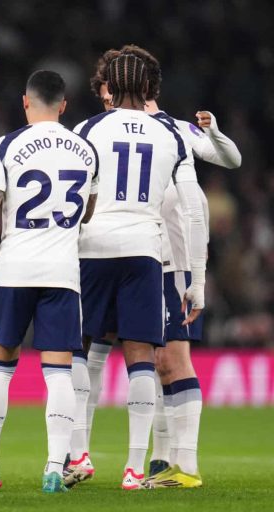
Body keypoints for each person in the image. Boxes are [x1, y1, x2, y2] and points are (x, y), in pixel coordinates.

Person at [73, 52, 207, 490]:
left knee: (86, 349)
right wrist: (197, 279)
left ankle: (76, 454)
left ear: (107, 86)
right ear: (150, 86)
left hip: (92, 246)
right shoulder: (169, 132)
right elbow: (193, 211)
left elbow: (72, 198)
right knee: (142, 357)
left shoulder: (87, 129)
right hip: (145, 250)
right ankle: (135, 468)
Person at [0, 70, 98, 493]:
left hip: (13, 270)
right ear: (64, 106)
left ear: (26, 102)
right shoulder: (85, 149)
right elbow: (89, 211)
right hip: (62, 272)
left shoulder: (5, 146)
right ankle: (53, 470)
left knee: (0, 368)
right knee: (59, 375)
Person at [123, 44, 241, 488]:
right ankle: (162, 458)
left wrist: (214, 132)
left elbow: (231, 160)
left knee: (174, 358)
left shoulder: (176, 130)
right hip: (146, 257)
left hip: (173, 263)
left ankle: (186, 466)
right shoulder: (124, 129)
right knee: (156, 358)